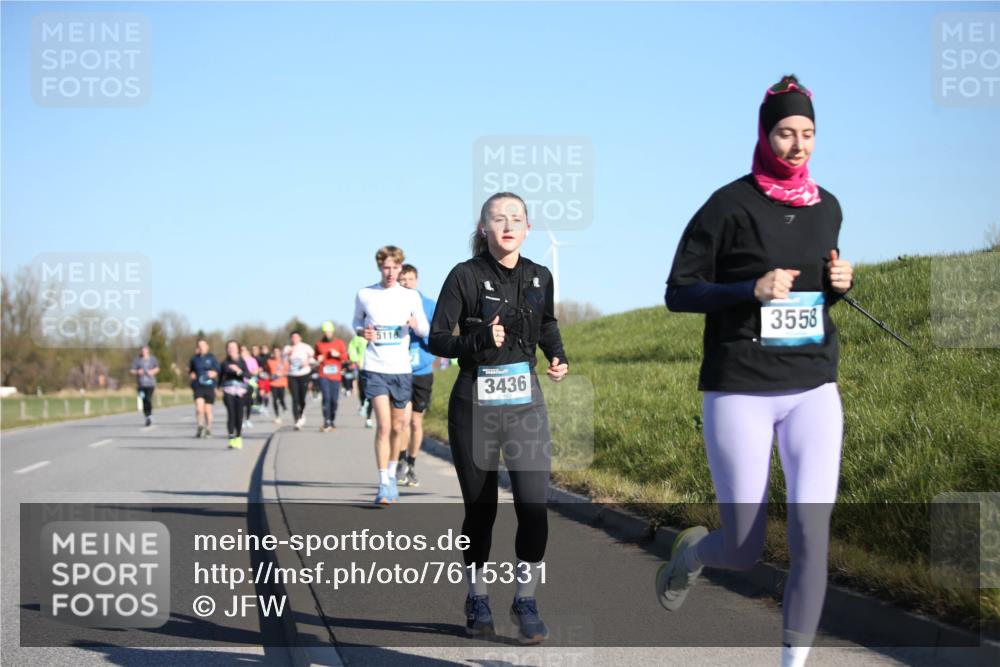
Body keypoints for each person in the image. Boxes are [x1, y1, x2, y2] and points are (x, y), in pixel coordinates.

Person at [656, 75, 854, 667]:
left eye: (808, 134)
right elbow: (679, 292)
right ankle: (694, 555)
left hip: (814, 385)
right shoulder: (728, 206)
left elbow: (812, 300)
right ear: (766, 135)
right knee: (744, 549)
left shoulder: (829, 207)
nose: (798, 146)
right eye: (787, 133)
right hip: (740, 386)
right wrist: (750, 288)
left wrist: (842, 286)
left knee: (810, 540)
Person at [428, 192, 568, 643]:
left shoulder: (540, 276)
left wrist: (557, 355)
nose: (507, 225)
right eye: (497, 218)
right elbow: (436, 339)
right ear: (484, 228)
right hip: (475, 404)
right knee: (481, 512)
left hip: (526, 403)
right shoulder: (464, 276)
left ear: (528, 229)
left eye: (516, 218)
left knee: (534, 508)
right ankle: (477, 595)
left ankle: (525, 598)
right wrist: (477, 340)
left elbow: (546, 323)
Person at [353, 245, 430, 505]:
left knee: (399, 426)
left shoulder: (410, 297)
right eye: (386, 267)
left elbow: (425, 330)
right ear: (379, 267)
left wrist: (415, 325)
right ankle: (383, 481)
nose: (390, 272)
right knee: (384, 426)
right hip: (375, 368)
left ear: (400, 267)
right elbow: (355, 323)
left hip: (401, 370)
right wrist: (363, 332)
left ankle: (393, 473)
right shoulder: (365, 294)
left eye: (395, 267)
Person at [396, 263, 437, 488]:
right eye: (403, 280)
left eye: (410, 279)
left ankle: (411, 463)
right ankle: (401, 459)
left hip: (422, 370)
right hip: (400, 370)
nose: (406, 283)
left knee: (415, 422)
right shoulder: (392, 305)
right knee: (402, 420)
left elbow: (438, 339)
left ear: (417, 280)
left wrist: (419, 327)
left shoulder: (429, 306)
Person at [315, 321, 348, 431]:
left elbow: (345, 357)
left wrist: (337, 354)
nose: (327, 334)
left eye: (329, 332)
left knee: (334, 400)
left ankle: (332, 419)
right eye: (325, 332)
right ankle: (326, 421)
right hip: (323, 374)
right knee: (326, 398)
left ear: (332, 332)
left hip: (335, 376)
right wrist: (317, 358)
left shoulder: (339, 343)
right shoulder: (319, 344)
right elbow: (315, 356)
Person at [219, 340, 250, 450]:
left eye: (233, 347)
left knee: (239, 415)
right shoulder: (224, 363)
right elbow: (220, 376)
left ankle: (238, 437)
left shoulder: (242, 361)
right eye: (229, 347)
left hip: (241, 391)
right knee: (231, 414)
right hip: (228, 390)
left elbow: (248, 375)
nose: (231, 349)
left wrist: (238, 371)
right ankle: (231, 438)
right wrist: (217, 387)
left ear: (238, 349)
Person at [188, 339, 221, 438]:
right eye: (199, 346)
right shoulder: (194, 359)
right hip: (198, 386)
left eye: (203, 345)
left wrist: (214, 373)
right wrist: (191, 374)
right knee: (199, 408)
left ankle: (208, 428)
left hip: (209, 386)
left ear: (207, 346)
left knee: (208, 410)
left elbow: (218, 370)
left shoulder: (212, 358)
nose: (201, 347)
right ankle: (200, 426)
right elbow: (190, 370)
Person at [285, 331, 314, 430]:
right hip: (292, 375)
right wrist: (288, 355)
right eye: (293, 337)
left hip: (304, 374)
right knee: (294, 398)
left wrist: (307, 362)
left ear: (300, 338)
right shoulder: (287, 348)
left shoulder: (306, 347)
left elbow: (314, 358)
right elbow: (282, 361)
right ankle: (296, 420)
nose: (295, 339)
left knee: (302, 398)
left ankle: (301, 413)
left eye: (296, 337)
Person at [130, 345, 160, 427]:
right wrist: (137, 371)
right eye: (142, 350)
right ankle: (147, 416)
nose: (144, 352)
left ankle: (149, 414)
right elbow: (131, 370)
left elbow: (157, 368)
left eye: (145, 350)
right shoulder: (137, 360)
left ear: (148, 351)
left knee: (148, 399)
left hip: (150, 384)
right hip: (140, 385)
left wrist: (152, 371)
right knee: (143, 400)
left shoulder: (153, 359)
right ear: (141, 351)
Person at [348, 330, 373, 427]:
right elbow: (351, 349)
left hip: (373, 368)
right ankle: (362, 404)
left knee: (371, 392)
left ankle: (368, 418)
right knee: (362, 391)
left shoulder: (374, 335)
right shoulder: (357, 338)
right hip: (362, 368)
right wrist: (355, 359)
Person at [267, 347, 289, 424]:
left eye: (278, 352)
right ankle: (277, 416)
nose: (276, 353)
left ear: (280, 353)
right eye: (275, 352)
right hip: (273, 383)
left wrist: (281, 374)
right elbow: (266, 372)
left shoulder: (284, 362)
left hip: (282, 383)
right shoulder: (269, 361)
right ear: (273, 353)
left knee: (281, 398)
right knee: (275, 400)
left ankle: (284, 406)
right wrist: (270, 376)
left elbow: (288, 372)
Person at [240, 344, 259, 428]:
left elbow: (256, 371)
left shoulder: (252, 360)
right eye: (241, 350)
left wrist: (247, 373)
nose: (242, 352)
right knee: (240, 403)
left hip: (249, 383)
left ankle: (247, 419)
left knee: (248, 403)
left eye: (244, 350)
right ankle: (241, 420)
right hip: (239, 384)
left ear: (247, 351)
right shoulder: (238, 360)